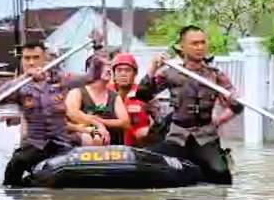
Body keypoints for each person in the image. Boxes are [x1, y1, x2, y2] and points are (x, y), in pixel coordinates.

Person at [136, 26, 243, 184]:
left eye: (202, 43)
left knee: (222, 177)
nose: (200, 47)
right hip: (178, 135)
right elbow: (143, 95)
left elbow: (236, 107)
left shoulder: (215, 74)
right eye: (194, 43)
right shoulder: (170, 72)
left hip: (206, 137)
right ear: (182, 47)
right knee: (145, 162)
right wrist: (152, 68)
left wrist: (229, 107)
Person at [1, 41, 93, 187]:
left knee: (87, 141)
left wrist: (98, 51)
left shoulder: (61, 80)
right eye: (27, 58)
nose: (31, 62)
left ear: (44, 58)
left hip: (61, 141)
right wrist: (23, 78)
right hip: (34, 144)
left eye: (36, 57)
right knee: (16, 162)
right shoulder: (19, 86)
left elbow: (90, 77)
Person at [64, 59, 128, 145]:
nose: (109, 70)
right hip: (83, 145)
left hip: (112, 147)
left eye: (110, 68)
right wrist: (96, 124)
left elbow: (125, 122)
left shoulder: (114, 96)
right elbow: (72, 113)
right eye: (104, 67)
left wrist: (101, 122)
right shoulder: (77, 92)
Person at [109, 52, 153, 146]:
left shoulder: (143, 93)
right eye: (119, 70)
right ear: (114, 73)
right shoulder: (104, 93)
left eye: (127, 70)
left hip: (138, 144)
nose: (123, 74)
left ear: (135, 74)